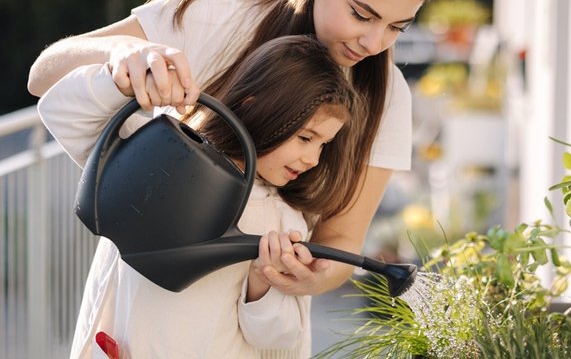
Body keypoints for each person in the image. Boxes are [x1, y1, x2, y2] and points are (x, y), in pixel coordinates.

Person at [28, 0, 441, 300]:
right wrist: (124, 53)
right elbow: (42, 76)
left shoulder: (388, 97)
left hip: (258, 316)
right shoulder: (214, 16)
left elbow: (343, 240)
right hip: (142, 303)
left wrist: (316, 277)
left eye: (395, 27)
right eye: (361, 14)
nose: (373, 43)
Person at [38, 34, 362, 358]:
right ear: (257, 107)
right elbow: (59, 110)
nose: (313, 159)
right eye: (306, 137)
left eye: (323, 144)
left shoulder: (282, 219)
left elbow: (278, 336)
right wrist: (123, 81)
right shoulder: (163, 155)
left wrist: (262, 282)